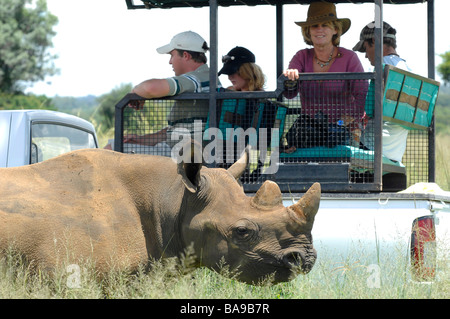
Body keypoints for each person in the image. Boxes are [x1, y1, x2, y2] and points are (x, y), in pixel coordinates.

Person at [105, 31, 220, 151]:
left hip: (184, 154)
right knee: (114, 144)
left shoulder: (196, 79)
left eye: (172, 55)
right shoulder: (205, 78)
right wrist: (140, 139)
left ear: (185, 55)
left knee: (110, 149)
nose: (170, 61)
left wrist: (135, 92)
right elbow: (173, 131)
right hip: (181, 149)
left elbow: (150, 88)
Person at [282, 2, 368, 152]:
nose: (319, 29)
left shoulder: (349, 57)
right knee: (293, 141)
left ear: (335, 29)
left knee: (335, 143)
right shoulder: (301, 56)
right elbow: (289, 93)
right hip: (309, 131)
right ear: (308, 31)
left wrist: (341, 123)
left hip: (342, 130)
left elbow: (363, 97)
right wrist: (290, 78)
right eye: (315, 26)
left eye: (325, 25)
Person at [353, 21, 410, 163]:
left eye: (366, 48)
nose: (366, 56)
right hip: (395, 153)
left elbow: (369, 110)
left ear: (375, 40)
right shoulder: (405, 68)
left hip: (373, 148)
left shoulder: (382, 67)